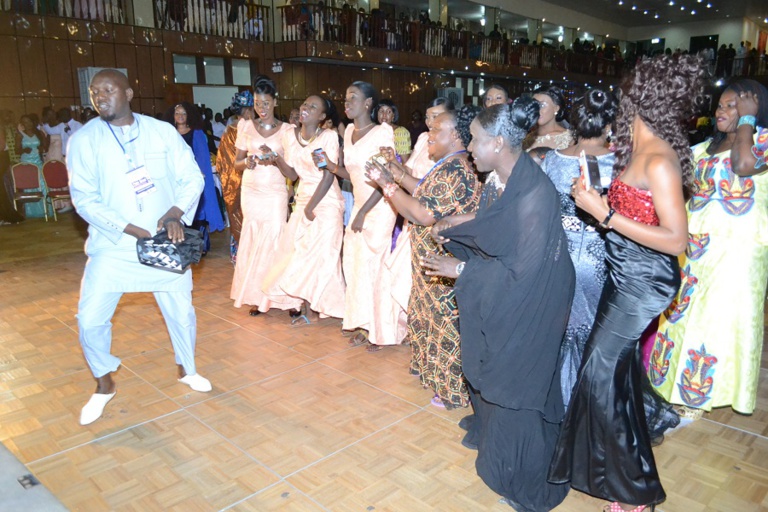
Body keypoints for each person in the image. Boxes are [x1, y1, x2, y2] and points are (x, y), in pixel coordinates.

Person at [548, 55, 706, 512]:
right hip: (622, 274)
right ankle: (616, 470)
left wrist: (606, 214)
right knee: (613, 377)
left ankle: (636, 493)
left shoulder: (658, 160)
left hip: (645, 281)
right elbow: (632, 216)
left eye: (627, 90)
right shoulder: (637, 150)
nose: (620, 97)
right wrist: (595, 202)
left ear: (641, 97)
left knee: (598, 375)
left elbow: (676, 239)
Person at [422, 98, 575, 510]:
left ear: (500, 143)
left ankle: (523, 477)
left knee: (513, 384)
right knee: (487, 368)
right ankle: (493, 446)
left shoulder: (534, 196)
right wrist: (463, 224)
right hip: (514, 294)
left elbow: (520, 273)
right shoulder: (502, 179)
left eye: (475, 140)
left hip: (533, 304)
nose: (469, 148)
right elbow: (498, 229)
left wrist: (461, 271)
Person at [67, 69, 212, 426]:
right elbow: (84, 198)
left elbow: (192, 177)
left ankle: (187, 370)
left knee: (181, 312)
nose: (100, 97)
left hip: (165, 241)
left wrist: (176, 212)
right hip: (114, 244)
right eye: (94, 91)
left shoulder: (161, 132)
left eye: (108, 89)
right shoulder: (84, 140)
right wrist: (130, 229)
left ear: (129, 92)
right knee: (90, 319)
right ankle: (104, 383)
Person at [649, 79, 768, 419]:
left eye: (734, 105)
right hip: (695, 248)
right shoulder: (702, 149)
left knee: (717, 320)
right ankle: (668, 386)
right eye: (721, 105)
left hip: (738, 250)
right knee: (681, 317)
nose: (722, 110)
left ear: (754, 108)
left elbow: (743, 166)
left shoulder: (761, 143)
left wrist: (748, 122)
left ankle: (699, 397)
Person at [367, 106, 481, 410]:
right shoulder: (447, 164)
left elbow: (422, 213)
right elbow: (422, 191)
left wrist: (385, 184)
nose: (427, 133)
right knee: (427, 317)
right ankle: (435, 376)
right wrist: (396, 170)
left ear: (456, 135)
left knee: (445, 323)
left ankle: (453, 390)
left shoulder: (456, 170)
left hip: (444, 261)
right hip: (429, 261)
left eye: (435, 130)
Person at [540, 87, 617, 408]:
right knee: (594, 332)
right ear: (611, 126)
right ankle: (588, 405)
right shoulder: (622, 164)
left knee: (560, 329)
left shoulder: (552, 160)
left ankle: (557, 401)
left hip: (558, 255)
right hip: (599, 257)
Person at [367, 97, 453, 352]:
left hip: (428, 222)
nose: (430, 122)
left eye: (437, 117)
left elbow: (426, 187)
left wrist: (395, 178)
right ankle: (395, 330)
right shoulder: (421, 139)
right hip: (410, 217)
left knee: (412, 282)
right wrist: (394, 162)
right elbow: (408, 174)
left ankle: (419, 336)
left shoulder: (449, 150)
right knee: (399, 278)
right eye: (428, 117)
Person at [258, 95, 346, 322]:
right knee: (298, 253)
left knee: (323, 256)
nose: (306, 108)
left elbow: (328, 176)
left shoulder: (327, 138)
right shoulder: (289, 136)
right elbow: (293, 174)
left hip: (325, 201)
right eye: (305, 104)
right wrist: (276, 158)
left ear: (322, 117)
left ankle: (322, 306)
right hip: (304, 196)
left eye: (313, 107)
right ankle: (305, 306)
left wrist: (310, 208)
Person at [324, 81, 395, 347]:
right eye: (345, 97)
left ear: (368, 103)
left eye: (353, 97)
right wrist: (331, 166)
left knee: (373, 266)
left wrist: (364, 211)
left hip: (379, 206)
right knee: (354, 264)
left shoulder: (382, 133)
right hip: (360, 206)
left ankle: (377, 327)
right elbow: (352, 173)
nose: (347, 102)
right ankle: (362, 320)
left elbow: (386, 179)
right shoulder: (350, 131)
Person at [230, 75, 294, 316]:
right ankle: (258, 296)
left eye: (266, 103)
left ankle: (283, 296)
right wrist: (248, 161)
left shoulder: (288, 130)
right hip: (252, 190)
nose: (262, 108)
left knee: (277, 240)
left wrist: (276, 159)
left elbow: (293, 171)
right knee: (255, 241)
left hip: (275, 191)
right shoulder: (245, 126)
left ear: (275, 102)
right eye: (257, 103)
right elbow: (236, 163)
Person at [162, 102, 225, 251]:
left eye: (183, 113)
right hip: (173, 178)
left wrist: (199, 175)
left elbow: (202, 157)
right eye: (177, 113)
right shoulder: (168, 133)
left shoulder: (196, 133)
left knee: (196, 211)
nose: (180, 116)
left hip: (192, 176)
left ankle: (198, 244)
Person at [217, 91, 254, 264]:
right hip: (249, 183)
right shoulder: (248, 130)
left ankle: (240, 254)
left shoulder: (228, 132)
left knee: (239, 219)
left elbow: (222, 163)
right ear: (247, 111)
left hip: (236, 181)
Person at [16, 114, 48, 218]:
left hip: (38, 162)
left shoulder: (38, 133)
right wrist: (24, 150)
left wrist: (41, 148)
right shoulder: (20, 135)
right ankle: (31, 212)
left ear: (32, 122)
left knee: (42, 184)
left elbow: (45, 146)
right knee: (28, 186)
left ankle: (44, 210)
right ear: (22, 124)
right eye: (25, 122)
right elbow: (17, 150)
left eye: (29, 121)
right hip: (26, 162)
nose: (28, 124)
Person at [525, 85, 573, 151]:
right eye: (535, 105)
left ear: (556, 108)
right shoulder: (527, 138)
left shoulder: (569, 139)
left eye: (542, 105)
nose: (537, 110)